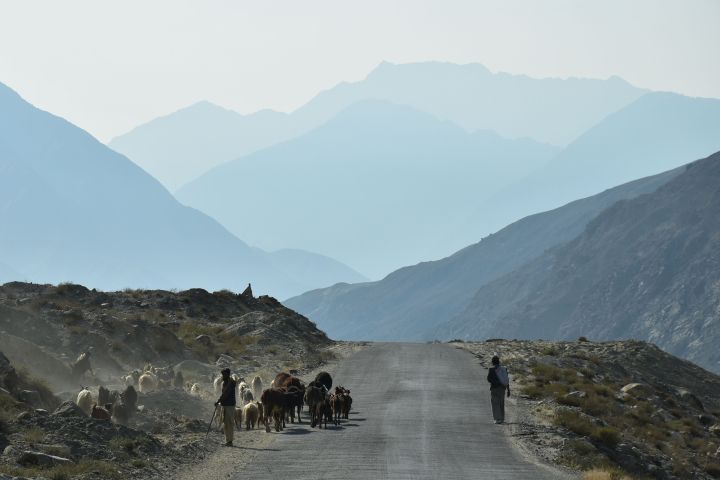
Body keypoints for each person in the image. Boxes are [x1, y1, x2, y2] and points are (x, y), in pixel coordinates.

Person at [215, 368, 237, 446]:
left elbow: (226, 394)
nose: (222, 376)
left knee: (229, 423)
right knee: (226, 423)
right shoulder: (226, 382)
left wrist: (219, 401)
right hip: (226, 405)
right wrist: (219, 401)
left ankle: (230, 441)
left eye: (223, 374)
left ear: (227, 374)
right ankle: (228, 440)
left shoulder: (230, 383)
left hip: (229, 405)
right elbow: (224, 394)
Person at [487, 355, 510, 424]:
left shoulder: (491, 369)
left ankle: (497, 419)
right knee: (501, 403)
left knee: (495, 403)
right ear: (499, 361)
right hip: (502, 389)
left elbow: (489, 379)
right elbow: (506, 380)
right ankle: (502, 418)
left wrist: (494, 382)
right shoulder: (504, 369)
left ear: (492, 362)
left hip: (494, 388)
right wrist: (508, 390)